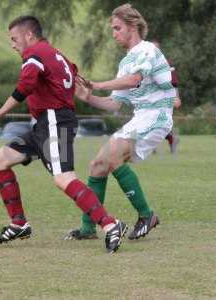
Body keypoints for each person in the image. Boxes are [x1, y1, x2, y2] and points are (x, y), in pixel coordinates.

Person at [0, 15, 127, 253]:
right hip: (45, 123)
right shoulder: (56, 54)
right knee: (0, 160)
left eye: (14, 38)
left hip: (53, 121)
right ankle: (19, 223)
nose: (13, 44)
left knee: (63, 178)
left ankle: (110, 225)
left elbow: (25, 85)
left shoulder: (35, 54)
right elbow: (74, 75)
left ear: (29, 35)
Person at [66, 3, 175, 241]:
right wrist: (89, 97)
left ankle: (147, 215)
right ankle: (87, 229)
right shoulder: (125, 62)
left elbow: (134, 80)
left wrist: (97, 84)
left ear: (133, 26)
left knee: (112, 156)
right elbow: (114, 104)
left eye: (117, 28)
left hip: (157, 116)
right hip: (141, 117)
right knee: (97, 164)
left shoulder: (147, 50)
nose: (114, 33)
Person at [153, 41, 182, 154]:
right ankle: (154, 145)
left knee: (161, 124)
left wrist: (177, 97)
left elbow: (174, 84)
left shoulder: (166, 64)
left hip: (165, 98)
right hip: (152, 98)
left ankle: (171, 139)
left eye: (155, 48)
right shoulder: (144, 63)